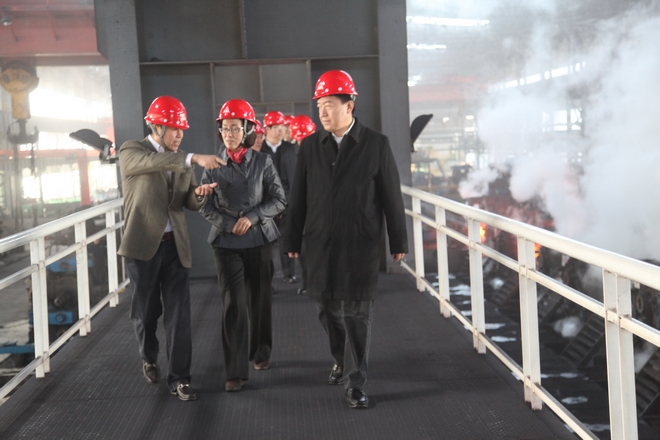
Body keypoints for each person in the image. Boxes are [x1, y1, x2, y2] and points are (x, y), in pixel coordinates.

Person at [283, 70, 408, 409]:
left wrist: (398, 240)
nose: (322, 112)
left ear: (349, 105)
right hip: (320, 243)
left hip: (360, 243)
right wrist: (291, 238)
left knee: (357, 313)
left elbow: (391, 196)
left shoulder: (376, 144)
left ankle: (355, 381)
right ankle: (340, 358)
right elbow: (299, 197)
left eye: (329, 105)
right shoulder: (311, 147)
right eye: (319, 106)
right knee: (326, 309)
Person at [118, 95, 225, 401]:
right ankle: (149, 356)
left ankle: (180, 378)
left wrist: (199, 194)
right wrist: (193, 158)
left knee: (179, 315)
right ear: (157, 127)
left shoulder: (181, 159)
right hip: (142, 248)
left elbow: (187, 200)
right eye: (174, 129)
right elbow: (152, 163)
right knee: (146, 313)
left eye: (182, 129)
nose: (179, 135)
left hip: (175, 247)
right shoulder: (132, 151)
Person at [200, 99, 286, 392]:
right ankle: (235, 371)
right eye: (225, 128)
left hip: (259, 238)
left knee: (260, 299)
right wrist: (229, 223)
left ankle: (261, 351)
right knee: (233, 304)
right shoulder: (212, 165)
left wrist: (252, 217)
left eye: (235, 128)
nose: (229, 134)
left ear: (248, 130)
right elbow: (206, 206)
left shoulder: (263, 162)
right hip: (226, 242)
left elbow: (279, 200)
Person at [262, 110, 299, 284]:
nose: (281, 130)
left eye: (283, 127)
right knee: (266, 244)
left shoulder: (290, 149)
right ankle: (266, 279)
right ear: (267, 129)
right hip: (265, 206)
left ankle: (289, 274)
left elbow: (293, 180)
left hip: (287, 204)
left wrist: (285, 204)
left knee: (286, 240)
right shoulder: (259, 150)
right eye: (276, 127)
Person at [288, 114, 317, 295]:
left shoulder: (324, 152)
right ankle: (308, 283)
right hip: (301, 212)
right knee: (304, 252)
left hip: (320, 211)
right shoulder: (290, 155)